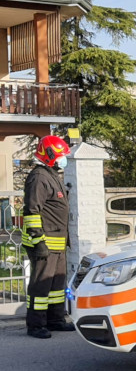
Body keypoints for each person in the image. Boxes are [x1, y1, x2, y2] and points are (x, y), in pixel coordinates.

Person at [22, 135, 74, 339]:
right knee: (41, 285)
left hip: (57, 243)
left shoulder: (51, 175)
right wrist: (38, 241)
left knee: (56, 286)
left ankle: (55, 320)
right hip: (44, 243)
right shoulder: (39, 177)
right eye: (61, 155)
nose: (63, 159)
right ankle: (36, 325)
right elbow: (31, 212)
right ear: (49, 154)